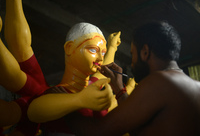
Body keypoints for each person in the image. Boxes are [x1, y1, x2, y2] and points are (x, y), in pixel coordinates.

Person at [1, 0, 135, 135]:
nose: (100, 58)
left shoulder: (93, 86)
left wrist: (112, 48)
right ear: (70, 48)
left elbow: (106, 68)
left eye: (102, 53)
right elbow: (34, 110)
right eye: (93, 50)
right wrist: (79, 99)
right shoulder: (54, 93)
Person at [65, 21, 200, 136]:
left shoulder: (160, 81)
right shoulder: (194, 86)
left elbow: (100, 130)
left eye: (132, 54)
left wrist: (66, 106)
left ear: (145, 52)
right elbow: (137, 124)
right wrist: (119, 88)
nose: (132, 63)